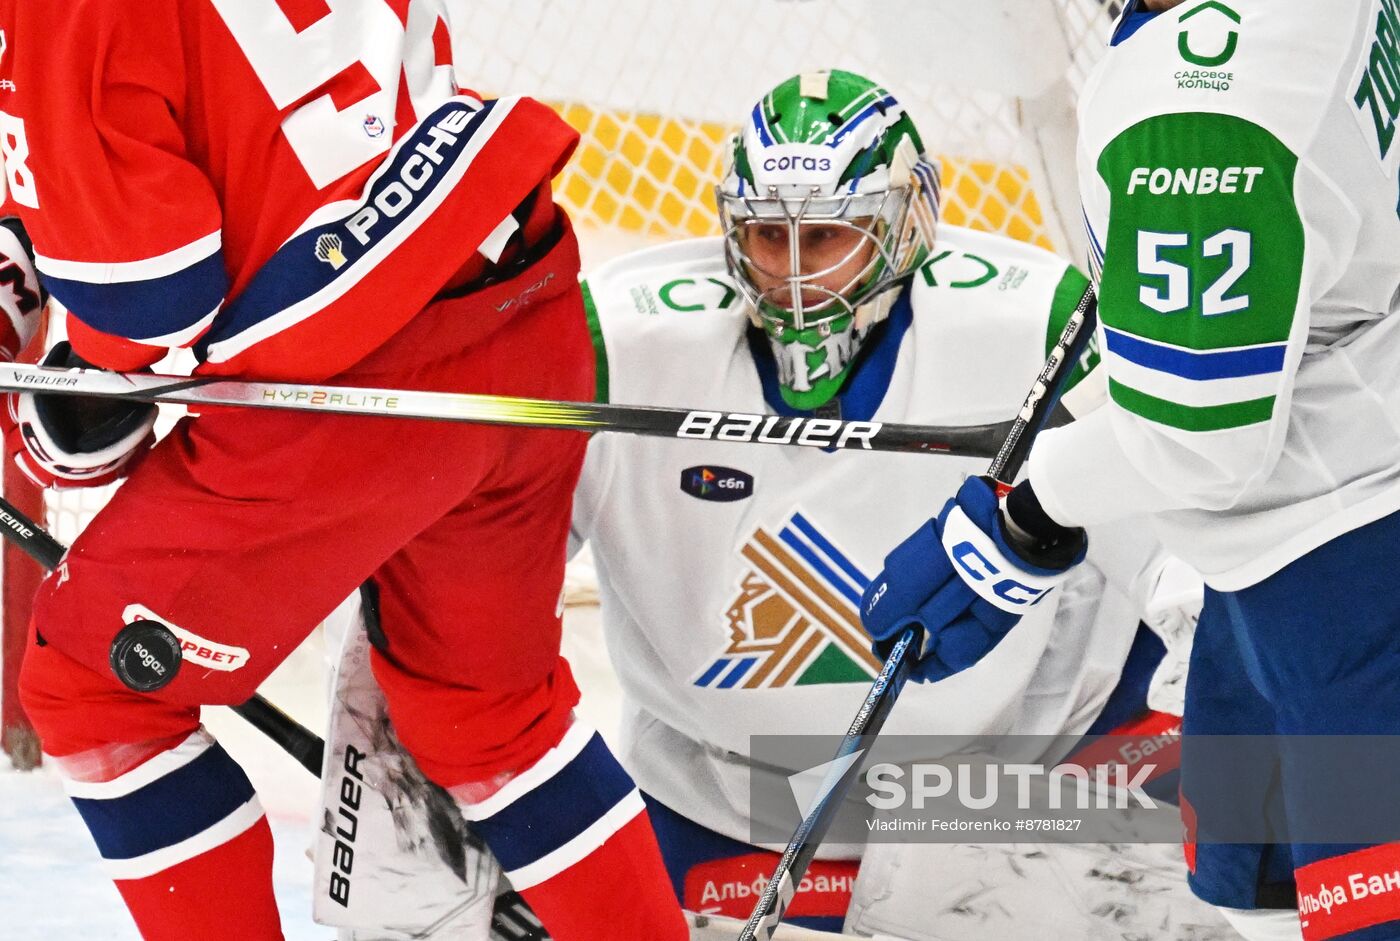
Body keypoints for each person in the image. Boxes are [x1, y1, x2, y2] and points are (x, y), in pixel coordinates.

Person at [323, 69, 1228, 939]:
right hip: (720, 794)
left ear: (907, 225)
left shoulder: (1029, 325)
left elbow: (1180, 512)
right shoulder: (624, 344)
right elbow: (466, 568)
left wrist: (1200, 691)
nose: (794, 277)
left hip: (1010, 770)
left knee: (1298, 810)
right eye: (769, 237)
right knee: (410, 626)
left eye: (828, 237)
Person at [0, 4, 687, 940]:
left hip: (363, 394)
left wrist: (80, 379)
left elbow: (150, 300)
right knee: (491, 715)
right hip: (519, 294)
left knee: (94, 688)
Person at [860, 2, 1400, 939]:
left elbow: (1203, 440)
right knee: (1256, 888)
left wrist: (1023, 518)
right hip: (1282, 546)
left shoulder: (1194, 115)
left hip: (1350, 568)